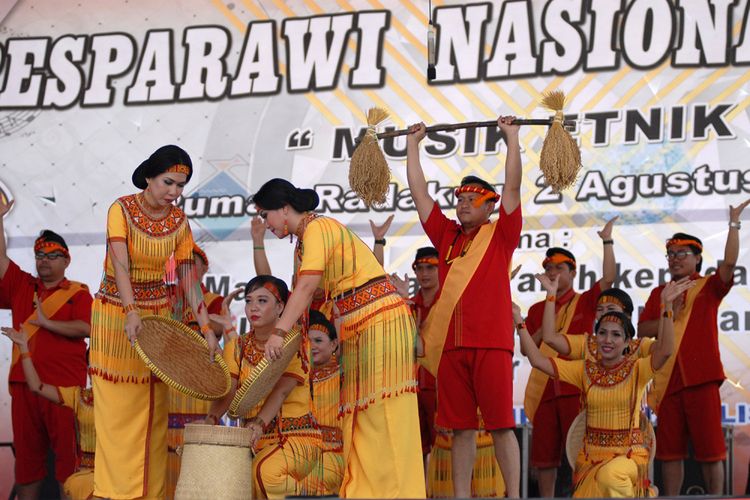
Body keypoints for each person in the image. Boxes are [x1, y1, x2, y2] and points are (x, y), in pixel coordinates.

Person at [252, 178, 424, 498]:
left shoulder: (318, 228)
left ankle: (399, 492)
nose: (265, 223)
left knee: (385, 413)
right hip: (362, 325)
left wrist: (278, 332)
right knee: (364, 413)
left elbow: (305, 287)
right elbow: (305, 290)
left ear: (285, 209)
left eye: (266, 215)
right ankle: (368, 491)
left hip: (380, 322)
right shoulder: (307, 238)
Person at [89, 145, 218, 499]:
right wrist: (131, 310)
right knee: (117, 416)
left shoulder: (179, 221)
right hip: (117, 315)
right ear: (149, 177)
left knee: (152, 413)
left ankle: (151, 494)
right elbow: (119, 263)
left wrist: (205, 327)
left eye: (180, 186)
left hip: (157, 320)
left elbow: (188, 275)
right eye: (168, 183)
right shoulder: (122, 209)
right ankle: (114, 494)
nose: (174, 193)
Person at [404, 116, 522, 497]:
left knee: (502, 425)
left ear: (489, 206)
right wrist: (413, 145)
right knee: (460, 429)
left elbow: (514, 187)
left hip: (491, 342)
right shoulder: (446, 236)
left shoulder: (501, 232)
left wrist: (512, 138)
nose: (464, 205)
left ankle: (514, 494)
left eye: (473, 200)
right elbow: (420, 194)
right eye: (460, 199)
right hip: (451, 349)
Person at [516, 276, 691, 497]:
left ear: (628, 341)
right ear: (596, 335)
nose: (607, 340)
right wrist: (520, 322)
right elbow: (539, 359)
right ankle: (643, 494)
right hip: (590, 458)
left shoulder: (638, 367)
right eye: (603, 333)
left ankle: (641, 492)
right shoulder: (584, 369)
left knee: (610, 476)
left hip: (627, 455)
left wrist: (666, 307)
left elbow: (665, 350)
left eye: (616, 335)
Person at [637, 199, 749, 495]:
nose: (674, 259)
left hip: (701, 379)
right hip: (668, 381)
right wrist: (666, 308)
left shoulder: (708, 287)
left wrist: (734, 224)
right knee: (669, 453)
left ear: (697, 259)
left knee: (711, 452)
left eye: (682, 254)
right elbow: (643, 330)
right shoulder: (659, 293)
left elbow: (729, 264)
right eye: (670, 254)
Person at [0, 197, 92, 500]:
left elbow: (87, 328)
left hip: (63, 389)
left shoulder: (78, 292)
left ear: (66, 260)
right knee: (27, 465)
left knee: (69, 464)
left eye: (52, 255)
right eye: (39, 254)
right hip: (25, 386)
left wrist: (45, 322)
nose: (44, 260)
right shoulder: (22, 286)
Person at [206, 275, 322, 499]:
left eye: (262, 301)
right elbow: (229, 391)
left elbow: (281, 391)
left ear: (280, 307)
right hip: (252, 441)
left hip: (294, 437)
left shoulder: (296, 343)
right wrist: (211, 419)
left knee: (264, 472)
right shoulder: (236, 347)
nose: (253, 308)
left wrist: (259, 424)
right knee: (232, 484)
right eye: (249, 301)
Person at [523, 228, 617, 497]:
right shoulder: (537, 310)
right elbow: (525, 347)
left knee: (580, 453)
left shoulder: (586, 301)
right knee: (544, 459)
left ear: (573, 273)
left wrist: (607, 241)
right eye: (548, 268)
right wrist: (544, 323)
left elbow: (609, 277)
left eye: (559, 268)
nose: (553, 272)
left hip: (575, 389)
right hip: (544, 389)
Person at [1, 328, 95, 500]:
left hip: (117, 474)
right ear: (89, 370)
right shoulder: (79, 396)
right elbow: (36, 386)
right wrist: (24, 349)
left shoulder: (123, 401)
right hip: (86, 477)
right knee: (76, 487)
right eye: (93, 365)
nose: (97, 371)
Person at [166, 244, 229, 499]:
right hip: (169, 378)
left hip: (201, 384)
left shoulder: (213, 300)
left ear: (205, 268)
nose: (187, 269)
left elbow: (219, 328)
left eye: (193, 263)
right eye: (182, 263)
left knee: (198, 445)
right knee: (165, 453)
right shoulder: (164, 297)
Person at [308, 309, 345, 496]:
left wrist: (339, 319)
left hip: (334, 453)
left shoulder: (342, 374)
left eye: (318, 341)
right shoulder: (298, 376)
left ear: (333, 345)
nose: (312, 346)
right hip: (304, 452)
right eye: (308, 341)